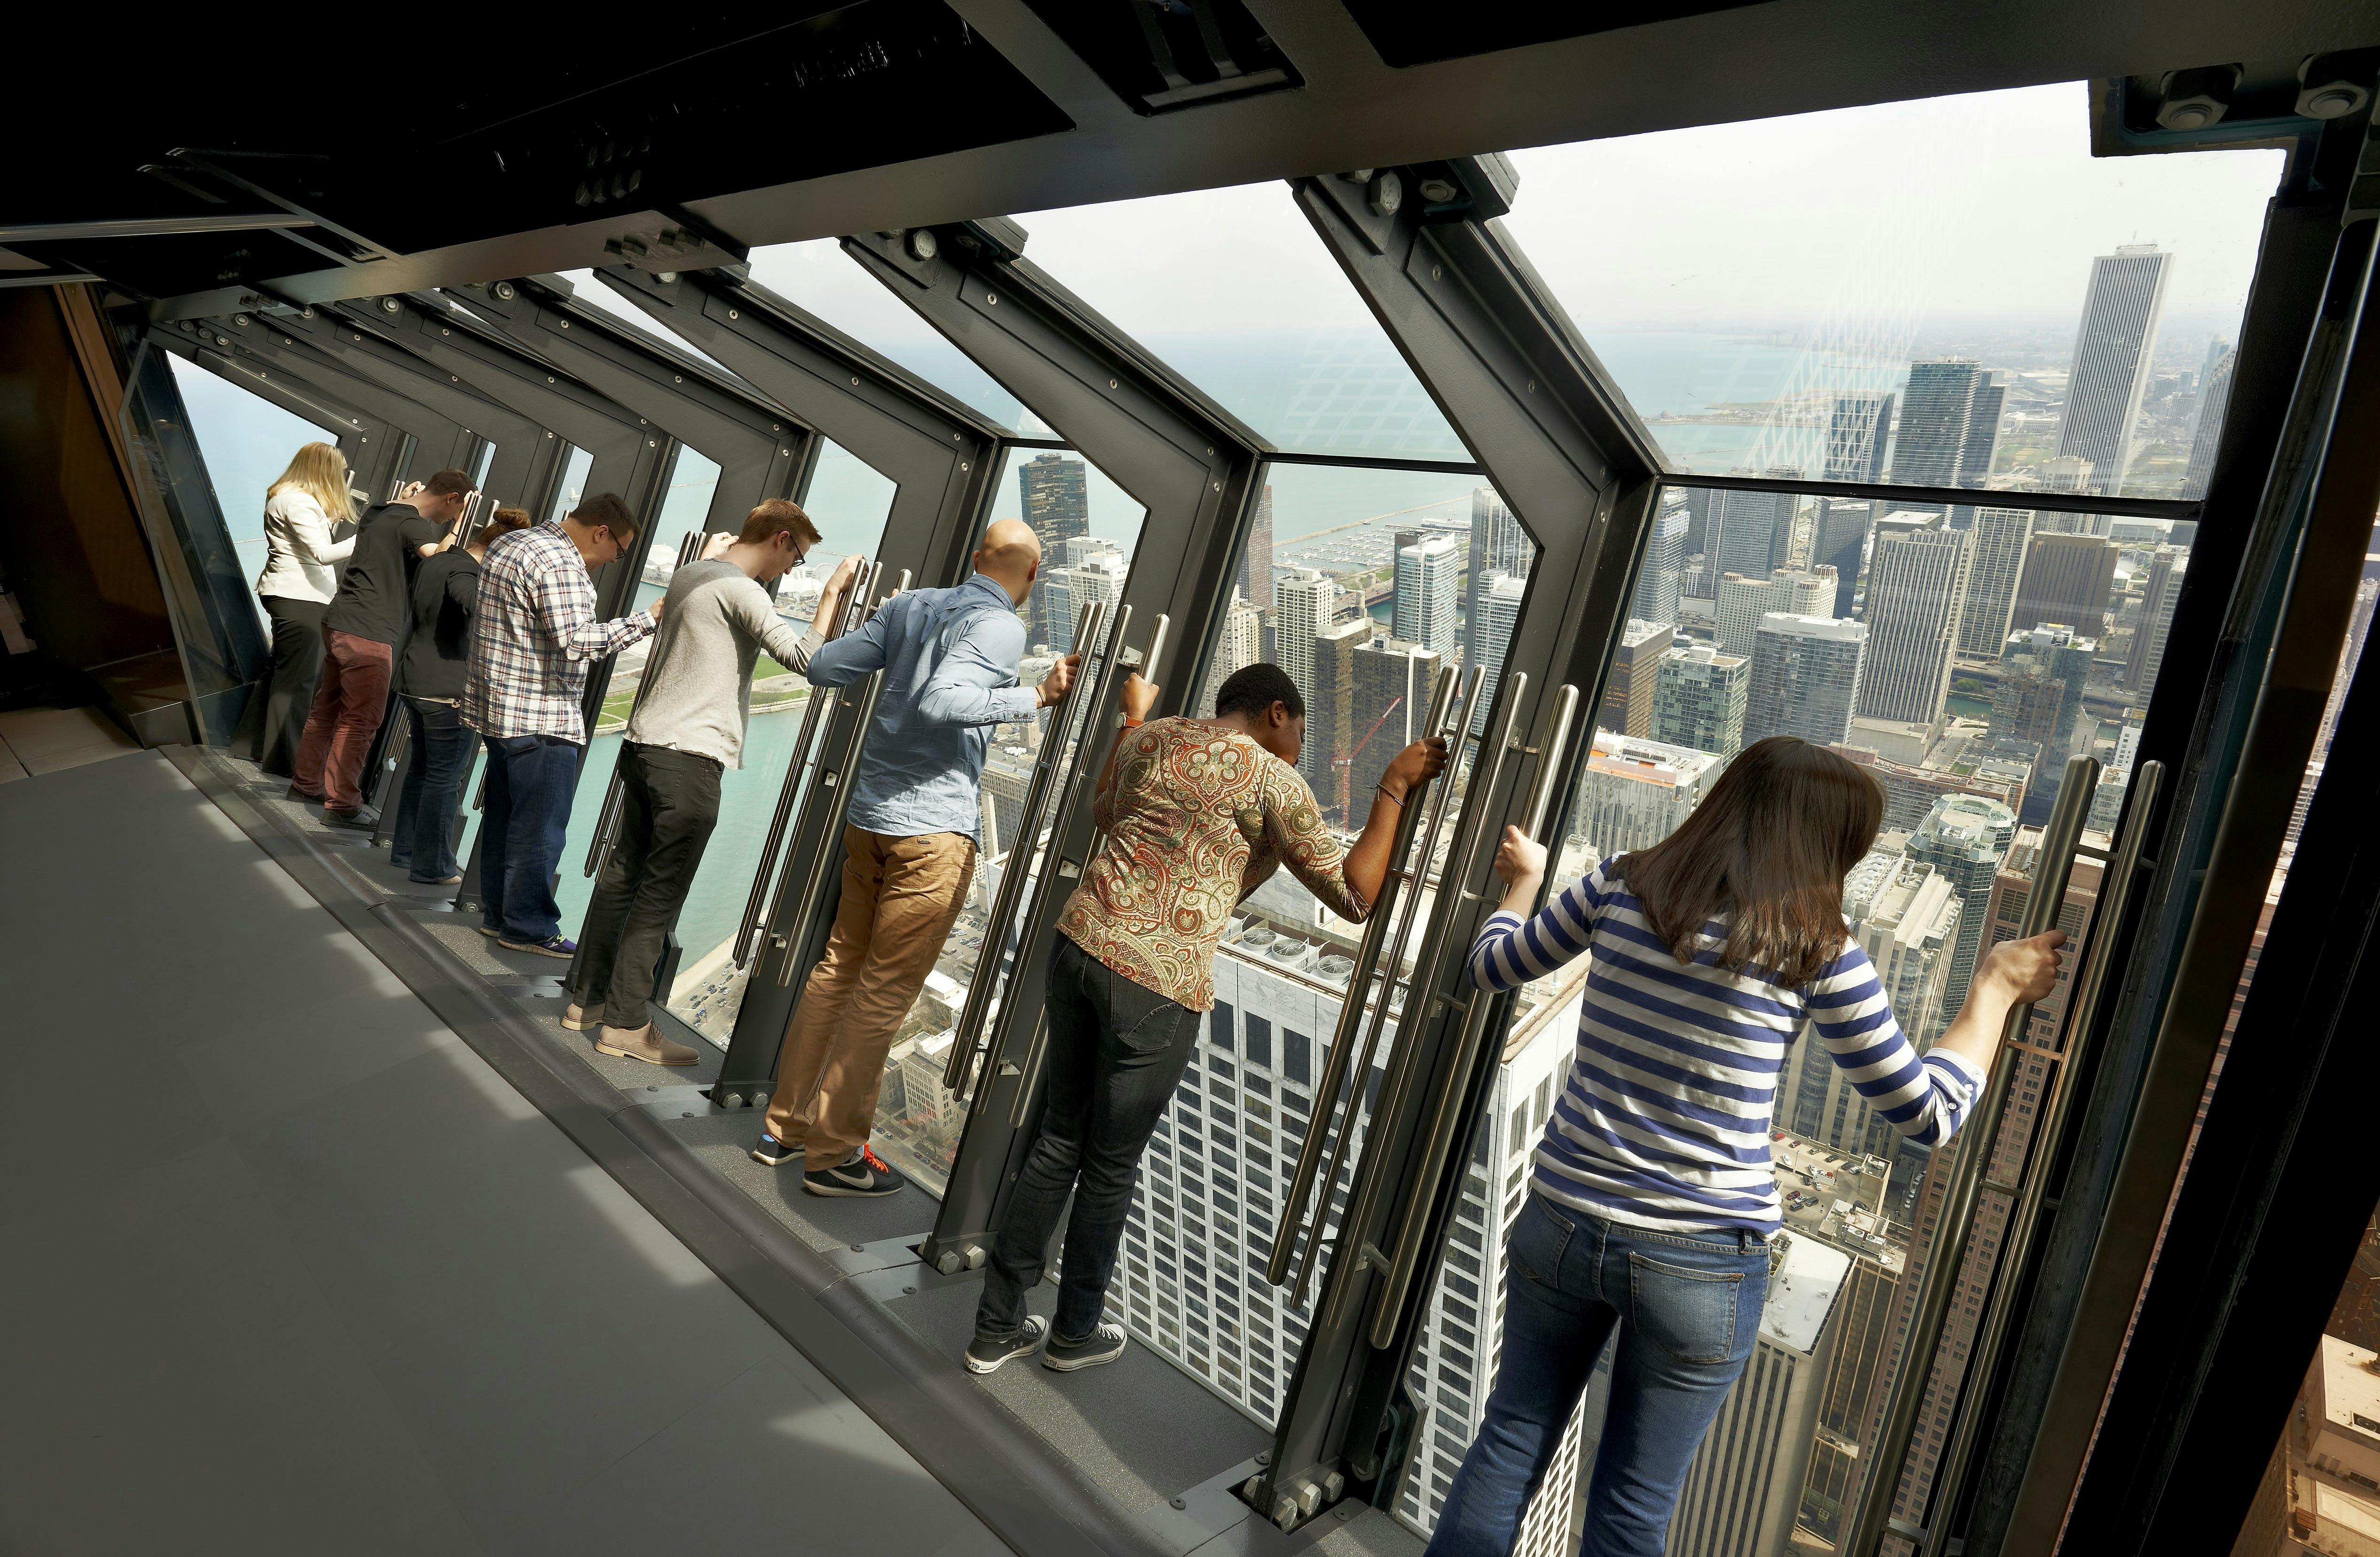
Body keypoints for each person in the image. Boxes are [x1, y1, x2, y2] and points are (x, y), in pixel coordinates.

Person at [1423, 736, 2067, 1557]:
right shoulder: (1818, 955)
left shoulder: (1619, 883)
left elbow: (1492, 966)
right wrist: (1995, 989)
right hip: (1699, 1261)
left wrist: (1524, 883)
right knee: (1629, 1510)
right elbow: (1929, 1114)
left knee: (1510, 1443)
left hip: (1563, 1222)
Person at [964, 661, 1450, 1376]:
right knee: (1107, 1168)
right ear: (1276, 712)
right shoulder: (1270, 780)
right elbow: (1356, 895)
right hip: (1154, 983)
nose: (1297, 747)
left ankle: (994, 1326)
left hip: (1077, 944)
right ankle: (1072, 1331)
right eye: (1298, 730)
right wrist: (1394, 786)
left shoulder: (1151, 738)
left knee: (1056, 1139)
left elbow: (1105, 810)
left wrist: (1131, 718)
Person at [750, 517, 1080, 1196]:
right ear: (1031, 575)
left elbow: (821, 666)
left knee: (838, 970)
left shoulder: (909, 606)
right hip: (931, 834)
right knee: (880, 993)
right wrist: (1038, 695)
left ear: (976, 556)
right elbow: (942, 700)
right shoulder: (1000, 624)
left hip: (869, 820)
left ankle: (783, 1129)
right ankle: (834, 1154)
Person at [561, 501, 859, 1068]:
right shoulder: (744, 590)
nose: (791, 571)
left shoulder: (693, 572)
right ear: (779, 539)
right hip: (691, 760)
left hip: (642, 745)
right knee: (658, 896)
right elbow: (805, 660)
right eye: (796, 557)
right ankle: (624, 1025)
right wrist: (829, 600)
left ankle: (587, 1002)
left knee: (621, 876)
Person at [461, 492, 660, 959]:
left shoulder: (514, 544)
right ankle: (528, 927)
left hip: (498, 711)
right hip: (541, 717)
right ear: (601, 533)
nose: (615, 560)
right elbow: (576, 642)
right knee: (540, 830)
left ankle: (498, 916)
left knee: (503, 820)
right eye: (620, 550)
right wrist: (646, 620)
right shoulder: (559, 565)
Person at [294, 469, 472, 827]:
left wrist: (407, 497)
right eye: (455, 510)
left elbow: (395, 512)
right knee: (361, 720)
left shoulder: (382, 512)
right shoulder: (411, 524)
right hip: (369, 632)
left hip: (340, 619)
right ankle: (343, 803)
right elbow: (437, 558)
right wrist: (461, 524)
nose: (448, 519)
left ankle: (305, 784)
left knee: (326, 709)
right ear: (452, 498)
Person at [389, 504, 532, 885]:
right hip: (449, 689)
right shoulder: (466, 572)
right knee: (445, 778)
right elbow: (473, 601)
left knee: (421, 770)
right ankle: (432, 866)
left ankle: (405, 850)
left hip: (414, 679)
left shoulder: (438, 561)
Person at [250, 443, 358, 778]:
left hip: (292, 593)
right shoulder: (298, 501)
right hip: (300, 596)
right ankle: (285, 761)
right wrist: (368, 534)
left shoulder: (288, 497)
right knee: (298, 682)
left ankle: (252, 746)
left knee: (281, 676)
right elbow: (322, 555)